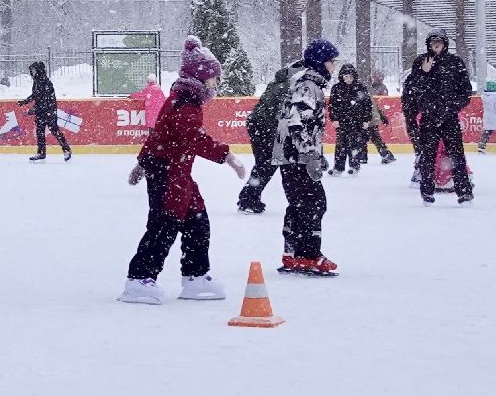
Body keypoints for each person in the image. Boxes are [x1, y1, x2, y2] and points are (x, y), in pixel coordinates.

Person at [118, 38, 246, 305]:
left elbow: (159, 134)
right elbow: (194, 139)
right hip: (167, 171)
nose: (215, 83)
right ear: (201, 77)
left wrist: (141, 163)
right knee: (164, 224)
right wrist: (229, 157)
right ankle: (140, 279)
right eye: (213, 78)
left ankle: (196, 275)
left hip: (177, 171)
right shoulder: (184, 103)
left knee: (197, 219)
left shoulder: (183, 99)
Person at [274, 37, 340, 276]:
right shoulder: (308, 86)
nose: (334, 67)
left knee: (299, 204)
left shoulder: (307, 84)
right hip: (297, 158)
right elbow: (297, 124)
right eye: (332, 61)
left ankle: (293, 254)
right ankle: (308, 255)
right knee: (314, 204)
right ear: (321, 62)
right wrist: (310, 154)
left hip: (291, 156)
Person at [406, 30, 474, 205]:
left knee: (457, 156)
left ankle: (464, 193)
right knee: (427, 157)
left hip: (450, 117)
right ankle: (427, 193)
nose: (436, 45)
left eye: (439, 42)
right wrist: (423, 72)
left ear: (445, 44)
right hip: (429, 118)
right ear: (428, 44)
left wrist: (451, 107)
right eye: (433, 42)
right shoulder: (420, 62)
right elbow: (412, 89)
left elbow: (465, 91)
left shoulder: (455, 62)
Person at [236, 66, 291, 214]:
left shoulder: (274, 84)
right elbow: (283, 113)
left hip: (257, 125)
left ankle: (248, 198)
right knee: (267, 164)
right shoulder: (287, 88)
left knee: (263, 164)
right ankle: (248, 199)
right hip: (266, 127)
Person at [19, 61, 71, 162]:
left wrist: (31, 107)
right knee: (40, 132)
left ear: (38, 70)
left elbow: (42, 98)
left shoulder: (46, 82)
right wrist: (27, 103)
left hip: (49, 111)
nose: (32, 72)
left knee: (54, 130)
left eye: (33, 70)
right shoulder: (37, 82)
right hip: (41, 112)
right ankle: (41, 153)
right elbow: (36, 96)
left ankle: (66, 150)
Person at [327, 64, 372, 175]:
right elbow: (332, 105)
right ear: (342, 76)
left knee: (354, 144)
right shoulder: (336, 88)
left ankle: (354, 166)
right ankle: (338, 167)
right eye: (346, 77)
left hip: (357, 121)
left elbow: (367, 105)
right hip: (341, 121)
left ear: (354, 77)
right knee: (341, 145)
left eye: (351, 77)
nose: (348, 79)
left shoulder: (360, 88)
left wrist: (366, 120)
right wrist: (334, 119)